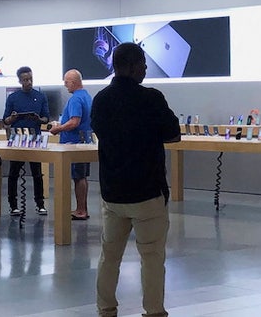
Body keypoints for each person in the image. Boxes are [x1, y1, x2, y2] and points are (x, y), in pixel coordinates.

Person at [91, 42, 181, 317]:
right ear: (131, 66)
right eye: (142, 63)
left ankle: (106, 309)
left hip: (113, 193)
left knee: (109, 256)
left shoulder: (101, 99)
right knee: (152, 257)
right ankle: (153, 311)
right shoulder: (151, 98)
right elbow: (173, 134)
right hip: (148, 193)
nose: (145, 68)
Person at [2, 66, 49, 216]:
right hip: (17, 137)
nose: (28, 82)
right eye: (25, 80)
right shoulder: (13, 98)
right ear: (20, 81)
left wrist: (38, 119)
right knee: (13, 173)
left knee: (37, 173)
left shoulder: (41, 97)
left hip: (35, 137)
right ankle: (13, 205)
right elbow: (6, 120)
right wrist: (13, 118)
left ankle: (40, 204)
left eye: (30, 79)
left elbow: (46, 118)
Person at [49, 69, 92, 220]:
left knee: (79, 177)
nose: (65, 85)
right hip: (84, 142)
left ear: (73, 82)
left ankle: (81, 210)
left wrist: (58, 129)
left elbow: (74, 121)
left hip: (74, 144)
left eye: (66, 82)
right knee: (82, 176)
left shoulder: (75, 99)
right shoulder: (86, 96)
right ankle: (82, 208)